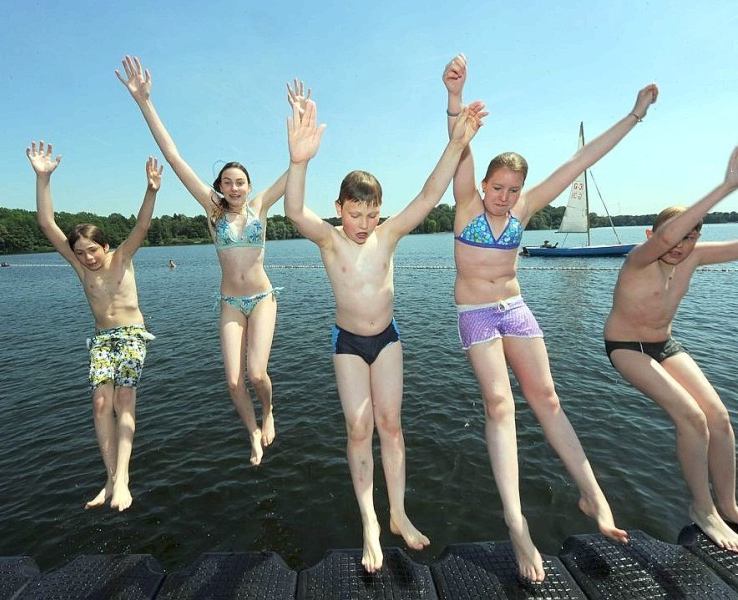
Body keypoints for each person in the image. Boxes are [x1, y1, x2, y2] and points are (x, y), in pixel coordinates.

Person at [443, 52, 657, 582]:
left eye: (513, 190)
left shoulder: (525, 208)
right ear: (485, 183)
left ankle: (593, 495)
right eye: (499, 188)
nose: (505, 197)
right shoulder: (466, 203)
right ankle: (516, 523)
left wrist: (633, 117)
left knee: (548, 397)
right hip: (475, 313)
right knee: (499, 403)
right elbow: (459, 145)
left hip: (514, 309)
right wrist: (454, 97)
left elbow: (580, 163)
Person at [284, 90, 485, 572]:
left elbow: (429, 195)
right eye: (356, 214)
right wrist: (298, 162)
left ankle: (397, 514)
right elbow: (293, 211)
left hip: (388, 339)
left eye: (371, 214)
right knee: (359, 427)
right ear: (339, 208)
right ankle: (369, 523)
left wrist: (456, 145)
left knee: (391, 426)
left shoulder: (388, 234)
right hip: (349, 344)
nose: (364, 223)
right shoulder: (329, 240)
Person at [116, 56, 309, 466]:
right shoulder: (214, 212)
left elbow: (296, 164)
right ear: (219, 187)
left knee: (257, 374)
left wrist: (298, 116)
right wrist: (144, 102)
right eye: (227, 182)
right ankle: (252, 433)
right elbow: (175, 157)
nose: (234, 187)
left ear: (249, 185)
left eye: (240, 181)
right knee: (233, 380)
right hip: (229, 304)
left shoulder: (260, 206)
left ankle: (270, 411)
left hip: (262, 299)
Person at [604, 147, 738, 552]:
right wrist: (728, 185)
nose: (681, 244)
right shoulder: (639, 260)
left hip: (664, 343)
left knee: (718, 417)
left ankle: (729, 505)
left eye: (692, 235)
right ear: (654, 235)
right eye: (679, 234)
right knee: (692, 417)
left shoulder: (692, 259)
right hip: (627, 346)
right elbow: (665, 236)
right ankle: (702, 508)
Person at [26, 140, 162, 512]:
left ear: (106, 246)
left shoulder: (122, 259)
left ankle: (124, 479)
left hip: (132, 334)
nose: (87, 257)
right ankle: (109, 478)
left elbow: (142, 225)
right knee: (100, 403)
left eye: (93, 250)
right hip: (102, 339)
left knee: (123, 399)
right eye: (81, 252)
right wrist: (43, 179)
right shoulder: (77, 265)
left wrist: (150, 190)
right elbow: (46, 223)